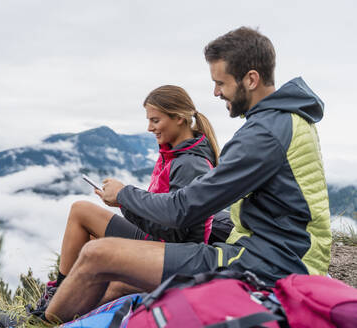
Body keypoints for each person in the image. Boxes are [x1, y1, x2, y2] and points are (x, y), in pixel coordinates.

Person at [38, 26, 331, 323]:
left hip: (271, 265)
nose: (216, 92)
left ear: (251, 79)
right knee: (122, 282)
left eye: (221, 83)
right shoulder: (287, 120)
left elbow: (183, 210)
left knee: (97, 255)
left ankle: (40, 322)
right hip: (277, 255)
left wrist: (124, 195)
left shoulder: (265, 133)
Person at [0, 85, 221, 326]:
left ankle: (41, 319)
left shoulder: (191, 164)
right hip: (160, 240)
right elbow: (162, 209)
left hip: (172, 251)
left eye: (155, 120)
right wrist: (123, 201)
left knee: (101, 261)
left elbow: (176, 231)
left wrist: (124, 201)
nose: (149, 128)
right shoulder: (175, 153)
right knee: (81, 210)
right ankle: (55, 298)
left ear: (179, 118)